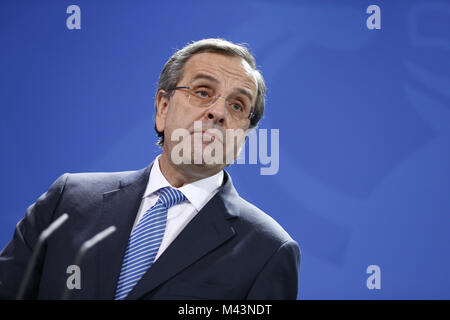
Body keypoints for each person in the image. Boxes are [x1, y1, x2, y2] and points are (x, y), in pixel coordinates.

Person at [0, 38, 301, 300]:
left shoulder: (269, 252)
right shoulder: (66, 200)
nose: (218, 112)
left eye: (237, 105)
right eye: (203, 92)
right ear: (163, 108)